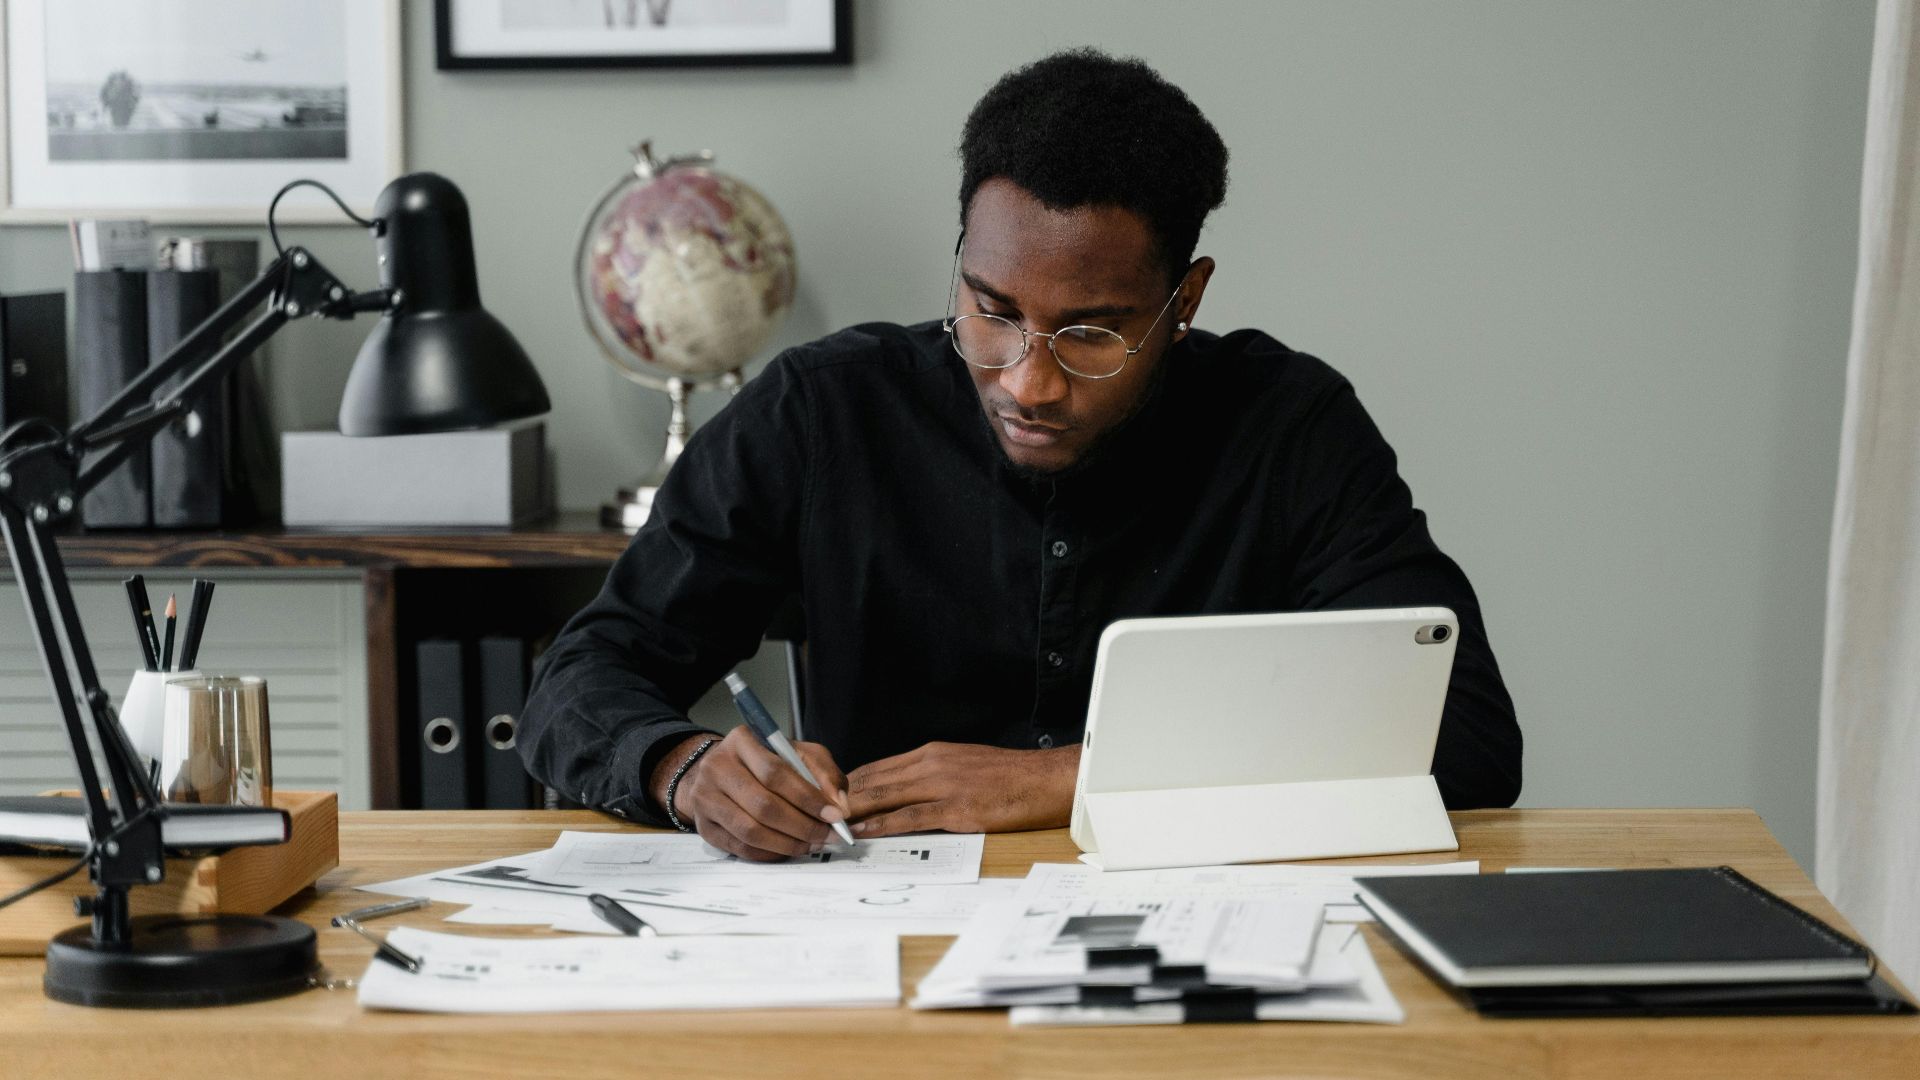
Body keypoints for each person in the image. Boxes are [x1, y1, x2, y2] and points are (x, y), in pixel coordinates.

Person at [519, 48, 1522, 861]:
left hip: (1201, 941)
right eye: (992, 312)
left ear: (1188, 303)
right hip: (880, 944)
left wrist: (1068, 778)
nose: (1027, 382)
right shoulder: (825, 412)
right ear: (960, 259)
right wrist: (683, 767)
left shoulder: (1288, 426)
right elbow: (583, 676)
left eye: (1092, 334)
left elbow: (1467, 735)